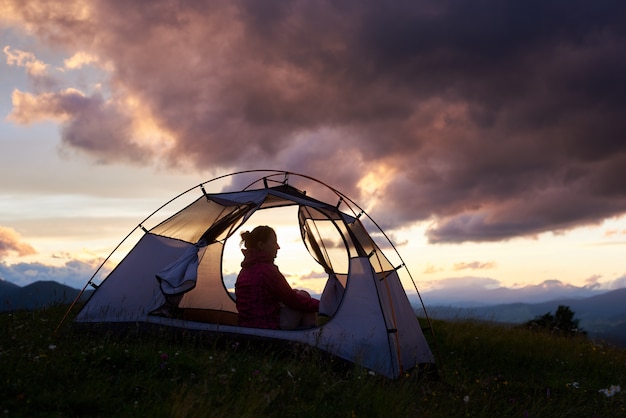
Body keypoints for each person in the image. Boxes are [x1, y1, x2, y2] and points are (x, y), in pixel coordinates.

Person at [235, 225, 319, 330]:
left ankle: (309, 334)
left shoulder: (244, 271)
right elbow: (293, 300)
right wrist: (323, 306)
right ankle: (312, 337)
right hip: (268, 328)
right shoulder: (267, 270)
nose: (278, 247)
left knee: (297, 293)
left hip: (247, 328)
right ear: (261, 245)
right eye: (274, 242)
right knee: (303, 296)